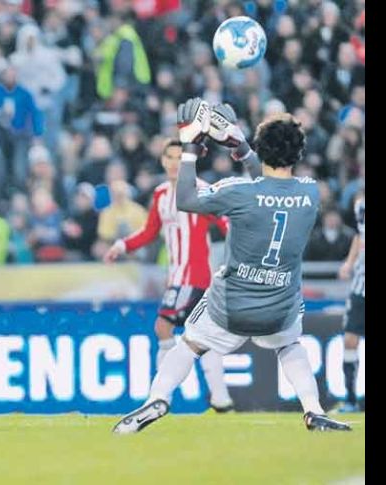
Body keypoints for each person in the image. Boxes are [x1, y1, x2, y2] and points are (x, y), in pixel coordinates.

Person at [113, 99, 351, 433]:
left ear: (261, 148)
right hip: (280, 306)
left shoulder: (237, 191)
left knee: (189, 344)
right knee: (289, 345)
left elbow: (185, 199)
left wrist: (190, 147)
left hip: (231, 306)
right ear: (298, 153)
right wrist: (241, 147)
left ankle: (159, 398)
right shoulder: (310, 193)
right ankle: (313, 410)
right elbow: (272, 187)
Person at [103, 138, 235, 412]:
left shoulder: (200, 191)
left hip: (195, 276)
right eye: (170, 157)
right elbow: (150, 232)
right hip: (176, 277)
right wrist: (122, 245)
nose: (175, 163)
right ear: (163, 161)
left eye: (180, 157)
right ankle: (221, 400)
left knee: (163, 326)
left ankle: (159, 397)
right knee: (203, 338)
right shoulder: (161, 194)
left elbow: (225, 223)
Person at [336, 190, 365, 412]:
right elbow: (358, 235)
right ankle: (351, 399)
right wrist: (349, 262)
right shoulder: (360, 206)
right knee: (349, 341)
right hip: (360, 287)